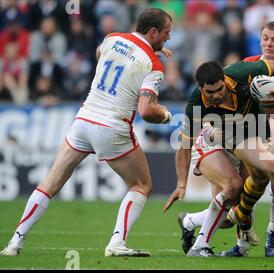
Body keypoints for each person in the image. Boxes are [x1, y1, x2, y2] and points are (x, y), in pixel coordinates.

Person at [1, 8, 173, 257]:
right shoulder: (153, 64)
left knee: (50, 184)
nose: (169, 37)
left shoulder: (111, 38)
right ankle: (116, 243)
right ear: (153, 31)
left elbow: (101, 54)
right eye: (167, 33)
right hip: (112, 126)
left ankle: (14, 243)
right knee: (140, 185)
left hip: (83, 120)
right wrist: (165, 115)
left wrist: (145, 53)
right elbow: (146, 111)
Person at [177, 22, 274, 258]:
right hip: (245, 135)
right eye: (265, 38)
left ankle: (272, 230)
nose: (269, 43)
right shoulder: (247, 66)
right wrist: (183, 180)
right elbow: (189, 138)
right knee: (234, 200)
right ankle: (230, 240)